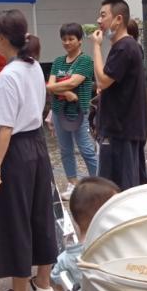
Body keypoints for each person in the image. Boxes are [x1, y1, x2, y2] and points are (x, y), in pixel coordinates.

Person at [0, 9, 57, 291]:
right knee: (41, 213)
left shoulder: (9, 74)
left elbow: (5, 128)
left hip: (15, 150)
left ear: (2, 38)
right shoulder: (34, 66)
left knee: (15, 218)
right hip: (37, 145)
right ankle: (43, 284)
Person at [91, 0, 147, 190]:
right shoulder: (127, 46)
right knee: (125, 185)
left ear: (118, 19)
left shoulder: (124, 47)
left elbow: (103, 80)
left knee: (117, 188)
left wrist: (96, 46)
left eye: (103, 15)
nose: (99, 20)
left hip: (120, 129)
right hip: (125, 127)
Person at [47, 22, 99, 196]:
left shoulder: (85, 60)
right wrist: (66, 92)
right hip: (59, 112)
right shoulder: (58, 62)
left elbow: (73, 82)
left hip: (78, 112)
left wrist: (59, 88)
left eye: (71, 39)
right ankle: (72, 183)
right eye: (64, 39)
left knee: (86, 149)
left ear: (80, 40)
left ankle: (98, 183)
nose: (67, 42)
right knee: (65, 150)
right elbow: (51, 86)